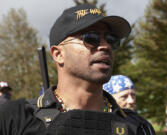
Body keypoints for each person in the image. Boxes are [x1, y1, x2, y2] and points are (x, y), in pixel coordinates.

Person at [0, 4, 152, 135]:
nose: (105, 46)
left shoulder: (138, 127)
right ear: (58, 54)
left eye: (111, 40)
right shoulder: (14, 118)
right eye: (91, 38)